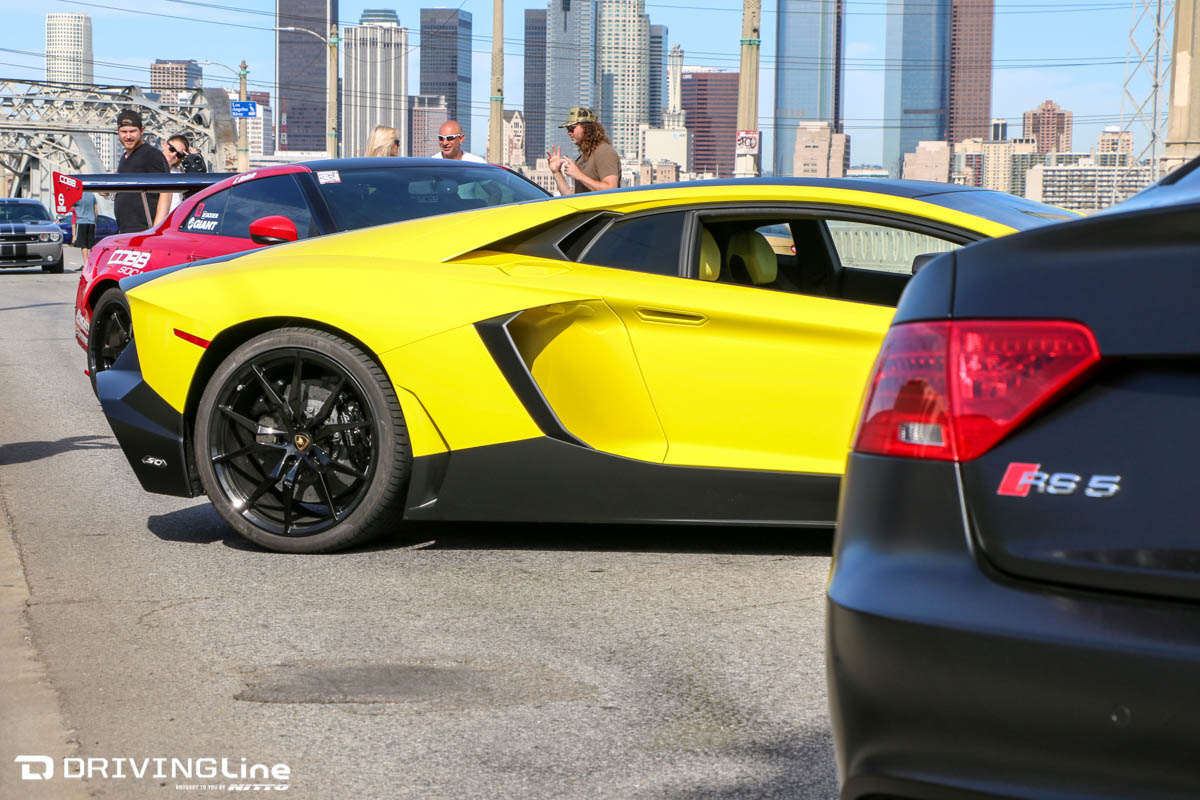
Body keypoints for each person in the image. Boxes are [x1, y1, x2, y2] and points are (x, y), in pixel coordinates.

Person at [113, 109, 169, 233]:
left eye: (133, 131)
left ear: (142, 130)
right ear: (118, 132)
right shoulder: (124, 158)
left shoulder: (152, 155)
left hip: (145, 230)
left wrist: (156, 231)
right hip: (125, 230)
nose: (128, 136)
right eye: (124, 132)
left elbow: (166, 191)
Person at [547, 107, 619, 195]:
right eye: (567, 129)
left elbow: (611, 189)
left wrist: (579, 175)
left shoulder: (604, 152)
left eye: (571, 128)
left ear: (587, 128)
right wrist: (556, 172)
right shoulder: (583, 158)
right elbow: (570, 195)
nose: (569, 132)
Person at [73, 191, 98, 264]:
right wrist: (95, 221)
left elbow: (69, 205)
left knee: (84, 245)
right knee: (91, 245)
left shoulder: (77, 195)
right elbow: (96, 210)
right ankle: (92, 262)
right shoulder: (92, 195)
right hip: (91, 222)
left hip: (81, 222)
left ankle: (86, 264)